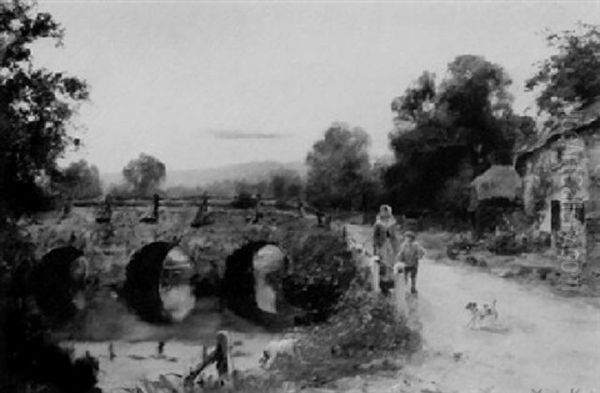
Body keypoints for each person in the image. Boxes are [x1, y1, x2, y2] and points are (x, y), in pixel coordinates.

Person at [373, 205, 398, 295]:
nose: (384, 213)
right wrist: (375, 246)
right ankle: (383, 282)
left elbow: (394, 236)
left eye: (386, 211)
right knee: (383, 262)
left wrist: (396, 247)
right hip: (381, 244)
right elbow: (375, 236)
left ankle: (390, 282)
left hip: (390, 244)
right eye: (383, 211)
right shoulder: (378, 223)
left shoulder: (392, 222)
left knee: (391, 262)